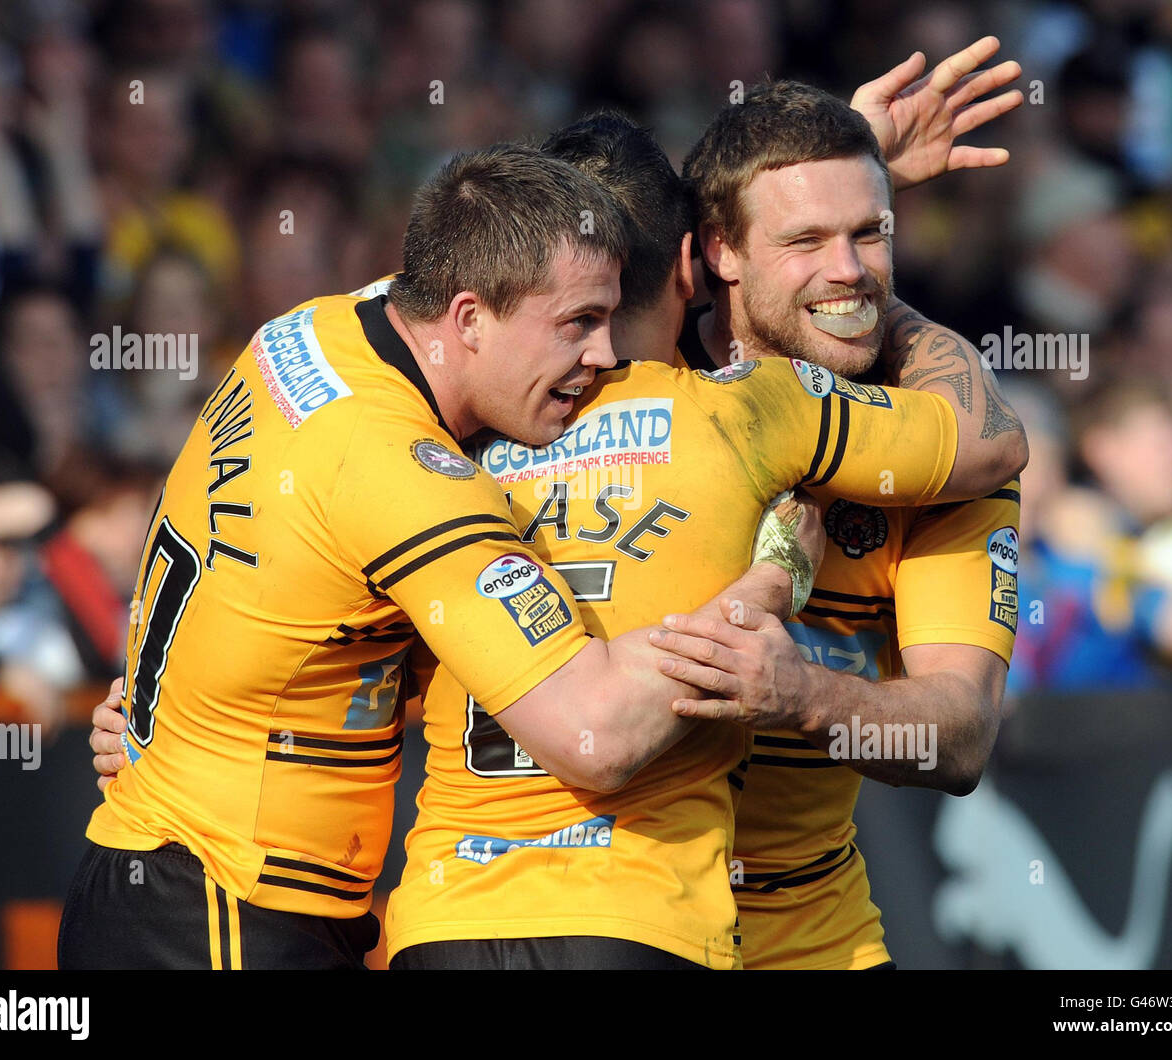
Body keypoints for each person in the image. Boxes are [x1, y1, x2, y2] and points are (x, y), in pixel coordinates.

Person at [63, 140, 1015, 971]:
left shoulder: (309, 336)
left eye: (866, 234)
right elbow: (597, 734)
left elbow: (252, 559)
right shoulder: (422, 465)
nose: (599, 357)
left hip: (248, 877)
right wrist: (774, 584)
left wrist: (167, 710)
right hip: (239, 909)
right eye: (574, 324)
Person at [638, 78, 1024, 969]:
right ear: (721, 253)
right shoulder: (624, 378)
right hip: (617, 914)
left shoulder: (946, 447)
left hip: (813, 930)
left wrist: (804, 697)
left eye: (869, 232)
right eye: (805, 238)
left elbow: (961, 734)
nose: (848, 268)